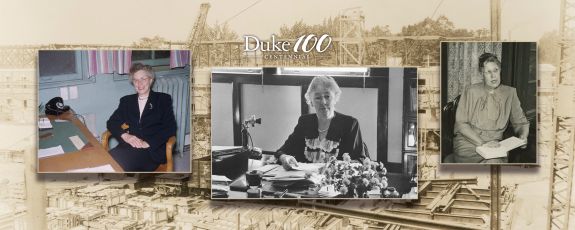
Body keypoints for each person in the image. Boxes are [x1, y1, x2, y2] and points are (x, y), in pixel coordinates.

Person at [275, 76, 367, 169]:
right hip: (305, 180)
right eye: (318, 97)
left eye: (327, 96)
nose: (323, 102)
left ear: (335, 98)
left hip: (334, 181)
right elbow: (282, 151)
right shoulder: (305, 122)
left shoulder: (350, 124)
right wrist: (285, 157)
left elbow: (360, 160)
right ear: (311, 102)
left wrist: (340, 166)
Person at [453, 53, 529, 163]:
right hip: (469, 142)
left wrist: (523, 136)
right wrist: (482, 143)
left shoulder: (510, 93)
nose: (493, 76)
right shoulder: (470, 91)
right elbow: (461, 124)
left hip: (495, 144)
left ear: (500, 70)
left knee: (494, 162)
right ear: (481, 74)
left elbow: (520, 123)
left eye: (495, 70)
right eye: (488, 72)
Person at [107, 63, 177, 171]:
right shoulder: (126, 101)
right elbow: (111, 122)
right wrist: (126, 136)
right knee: (106, 160)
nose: (139, 83)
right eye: (135, 80)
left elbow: (170, 128)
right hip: (129, 145)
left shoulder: (163, 100)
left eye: (143, 79)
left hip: (151, 150)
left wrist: (148, 143)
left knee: (117, 166)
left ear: (151, 80)